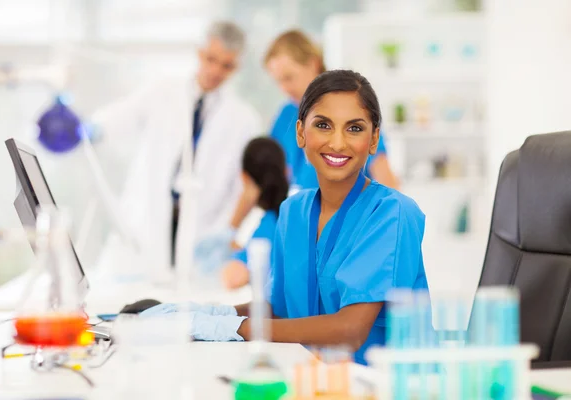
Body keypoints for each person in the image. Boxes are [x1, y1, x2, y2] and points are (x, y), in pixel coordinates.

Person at [141, 70, 428, 365]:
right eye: (323, 125)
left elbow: (350, 329)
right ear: (301, 133)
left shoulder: (391, 214)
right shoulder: (294, 213)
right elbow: (279, 311)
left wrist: (232, 328)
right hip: (319, 382)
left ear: (373, 139)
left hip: (387, 387)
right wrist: (204, 314)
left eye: (354, 128)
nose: (338, 143)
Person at [90, 21, 261, 275]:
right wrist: (92, 129)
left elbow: (244, 187)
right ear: (199, 52)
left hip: (202, 234)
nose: (215, 71)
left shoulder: (244, 119)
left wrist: (228, 231)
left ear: (236, 67)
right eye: (210, 59)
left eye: (226, 65)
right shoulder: (162, 91)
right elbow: (122, 117)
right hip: (147, 226)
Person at [226, 30, 399, 241]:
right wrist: (231, 231)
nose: (284, 88)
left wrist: (391, 238)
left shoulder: (350, 110)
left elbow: (386, 180)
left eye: (289, 77)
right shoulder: (286, 116)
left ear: (313, 63)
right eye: (278, 81)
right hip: (291, 230)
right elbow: (263, 182)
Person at [219, 137, 289, 289]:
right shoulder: (295, 216)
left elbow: (233, 278)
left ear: (244, 177)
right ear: (287, 171)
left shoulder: (263, 226)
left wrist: (235, 222)